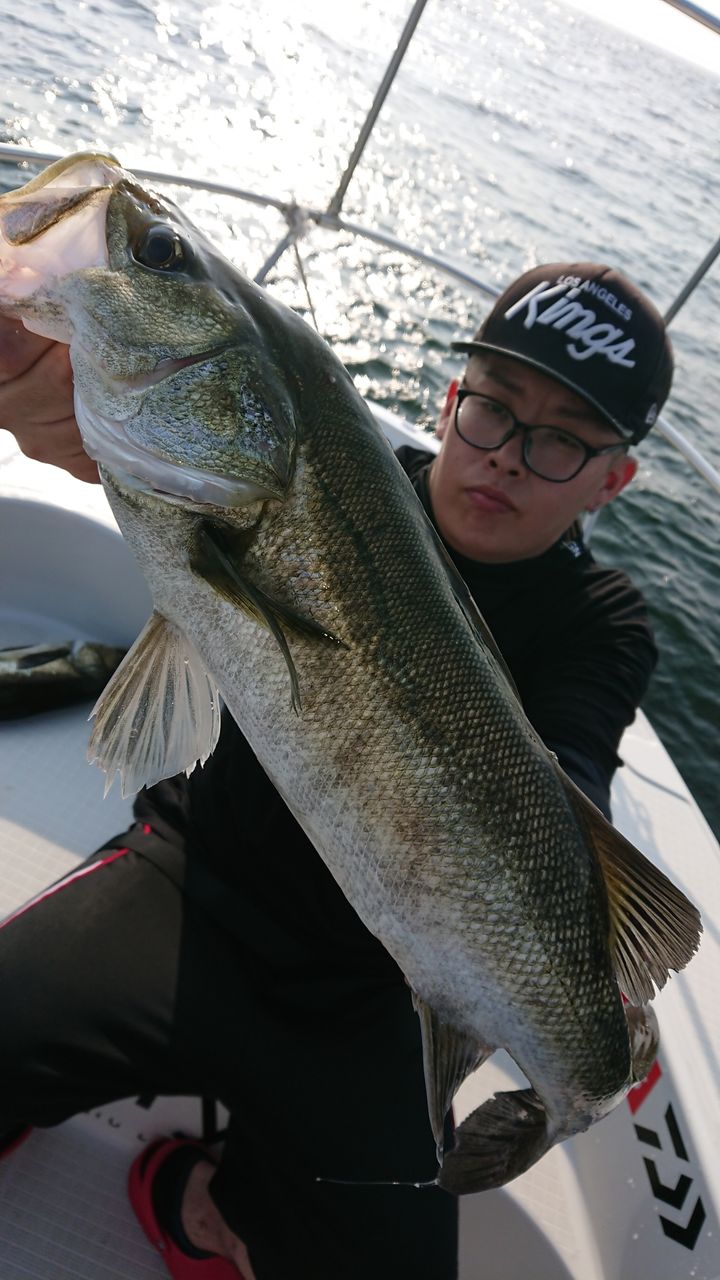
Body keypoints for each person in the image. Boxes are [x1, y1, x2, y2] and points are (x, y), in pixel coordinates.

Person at [0, 261, 672, 1280]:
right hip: (194, 878)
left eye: (564, 438)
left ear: (611, 480)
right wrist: (76, 411)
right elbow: (183, 476)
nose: (507, 456)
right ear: (450, 401)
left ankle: (201, 1198)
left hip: (380, 995)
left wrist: (582, 970)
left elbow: (569, 767)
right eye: (494, 405)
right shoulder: (330, 484)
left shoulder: (602, 621)